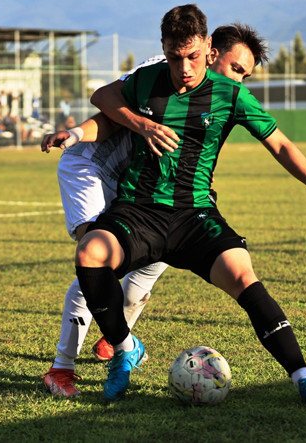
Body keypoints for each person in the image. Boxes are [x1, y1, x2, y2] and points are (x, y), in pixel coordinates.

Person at [68, 5, 306, 408]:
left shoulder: (230, 94)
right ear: (164, 49)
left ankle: (304, 378)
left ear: (209, 48)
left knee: (243, 274)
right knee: (90, 254)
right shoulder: (146, 80)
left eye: (193, 57)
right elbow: (106, 106)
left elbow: (281, 143)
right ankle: (124, 347)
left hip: (194, 215)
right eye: (174, 57)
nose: (183, 67)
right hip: (138, 211)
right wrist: (83, 132)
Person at [39, 23, 262, 399]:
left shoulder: (217, 94)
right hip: (91, 169)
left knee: (156, 255)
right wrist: (79, 132)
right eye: (236, 68)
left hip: (140, 184)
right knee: (96, 264)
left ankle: (116, 339)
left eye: (247, 75)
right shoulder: (165, 66)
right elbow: (109, 106)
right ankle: (63, 368)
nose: (240, 80)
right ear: (211, 51)